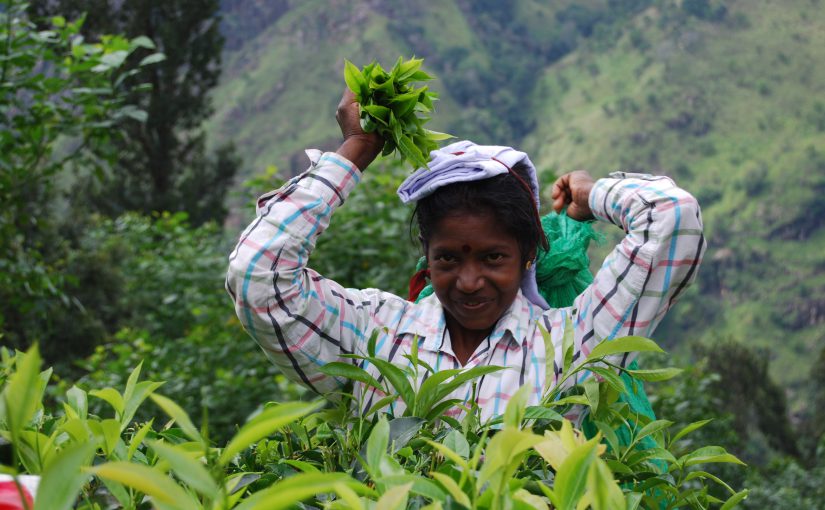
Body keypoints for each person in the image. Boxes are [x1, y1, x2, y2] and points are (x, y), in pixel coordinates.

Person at [226, 89, 706, 422]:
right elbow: (258, 278)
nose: (470, 281)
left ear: (528, 256)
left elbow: (673, 216)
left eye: (494, 258)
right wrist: (356, 149)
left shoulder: (572, 346)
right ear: (426, 256)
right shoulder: (376, 338)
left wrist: (590, 193)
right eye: (449, 259)